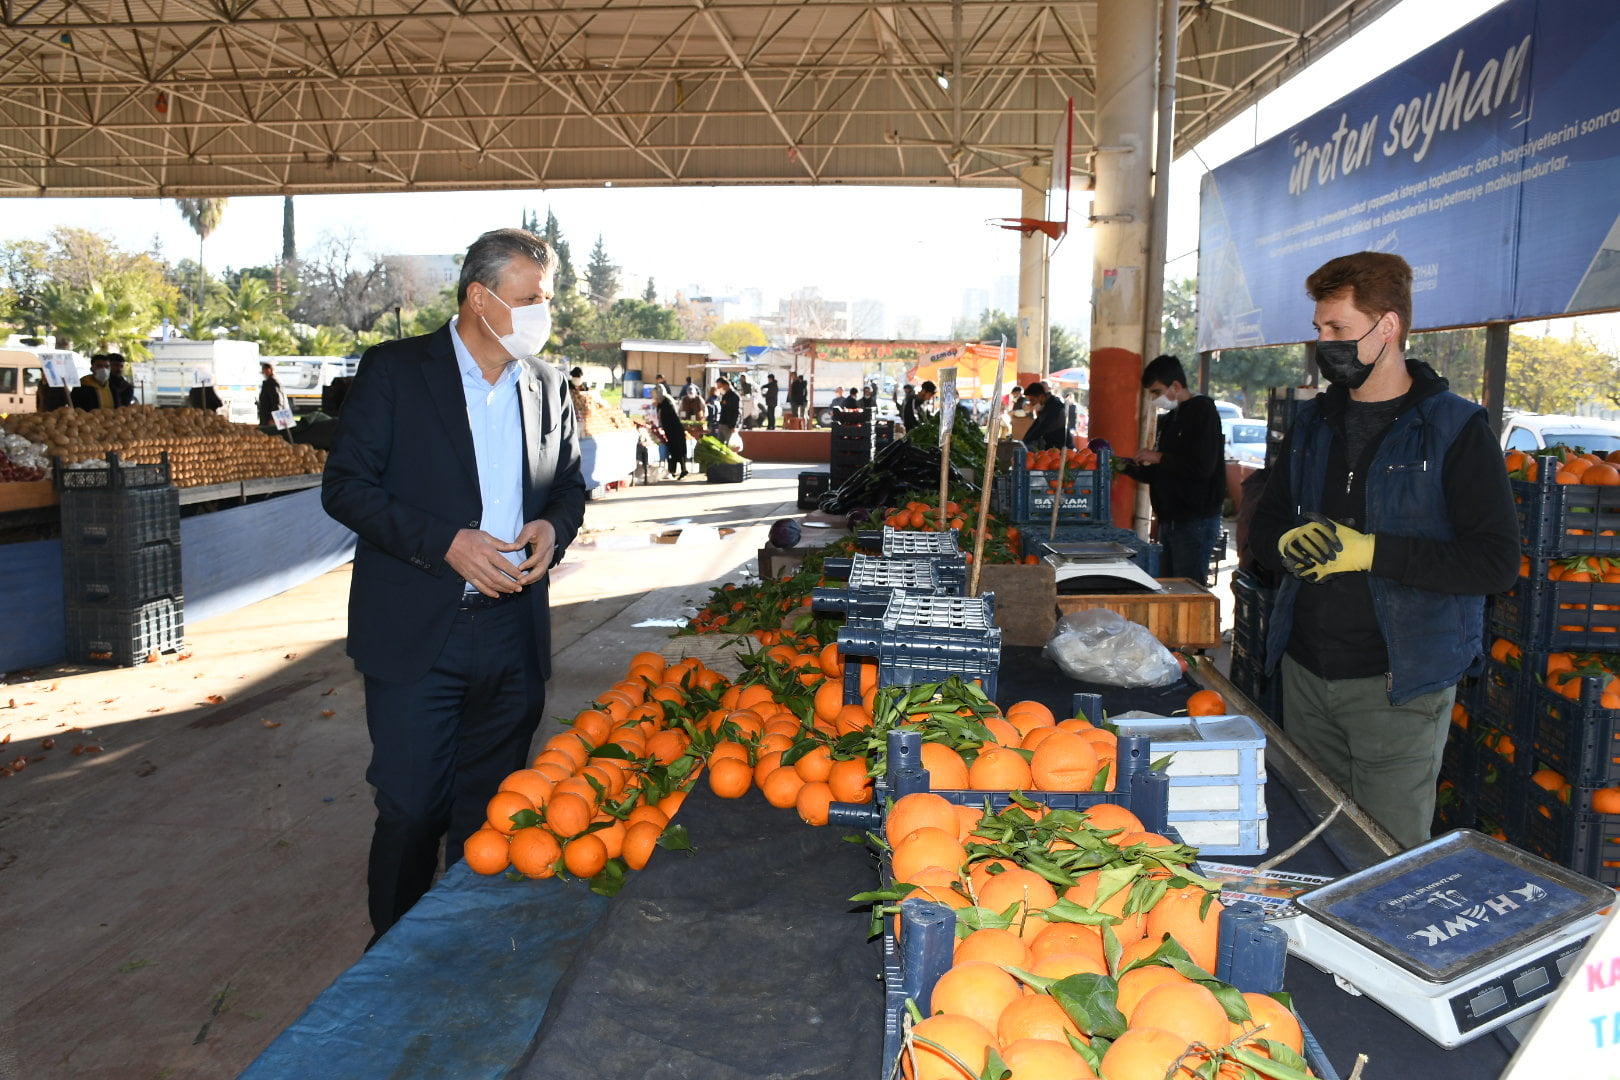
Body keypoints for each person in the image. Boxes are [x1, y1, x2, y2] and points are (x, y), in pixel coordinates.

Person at [322, 227, 586, 944]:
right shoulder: (396, 373)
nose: (544, 313)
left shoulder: (548, 385)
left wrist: (551, 530)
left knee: (493, 809)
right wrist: (445, 543)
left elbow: (568, 486)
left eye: (548, 301)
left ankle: (460, 942)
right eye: (531, 298)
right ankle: (393, 951)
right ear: (479, 296)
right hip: (418, 630)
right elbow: (345, 488)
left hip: (511, 630)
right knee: (411, 806)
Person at [1248, 250, 1519, 849]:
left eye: (1338, 329)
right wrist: (1282, 541)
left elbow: (1495, 562)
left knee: (1386, 857)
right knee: (1313, 843)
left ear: (1387, 327)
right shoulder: (1313, 425)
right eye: (1320, 329)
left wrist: (1373, 551)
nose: (1324, 343)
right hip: (1305, 674)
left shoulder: (1455, 430)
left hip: (1399, 685)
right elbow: (1263, 527)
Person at [1120, 356, 1226, 585]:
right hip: (1170, 520)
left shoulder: (1203, 413)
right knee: (1168, 586)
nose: (1154, 399)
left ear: (1175, 386)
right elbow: (1163, 471)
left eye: (1157, 392)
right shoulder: (1169, 420)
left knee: (1186, 588)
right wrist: (1126, 466)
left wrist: (1158, 456)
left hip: (1195, 520)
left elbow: (1202, 467)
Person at [1020, 381, 1071, 451]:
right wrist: (1023, 441)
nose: (1032, 404)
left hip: (1061, 446)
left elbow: (1043, 427)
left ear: (1041, 396)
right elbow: (1036, 424)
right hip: (1050, 444)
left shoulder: (1055, 406)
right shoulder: (1044, 406)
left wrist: (1025, 442)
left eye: (1033, 400)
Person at [653, 386, 688, 479]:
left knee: (678, 450)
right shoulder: (664, 402)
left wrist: (658, 406)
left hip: (675, 430)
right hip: (671, 430)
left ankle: (682, 470)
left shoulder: (666, 402)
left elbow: (668, 416)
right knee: (673, 450)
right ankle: (672, 471)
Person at [258, 361, 290, 431]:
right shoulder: (275, 381)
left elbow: (277, 401)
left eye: (264, 370)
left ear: (269, 370)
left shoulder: (272, 382)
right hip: (277, 416)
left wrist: (273, 418)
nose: (263, 373)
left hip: (272, 418)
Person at [716, 377, 740, 442]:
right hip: (722, 423)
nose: (718, 388)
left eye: (720, 386)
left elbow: (736, 411)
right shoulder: (725, 395)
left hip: (729, 425)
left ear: (726, 385)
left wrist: (734, 425)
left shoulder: (734, 396)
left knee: (730, 445)